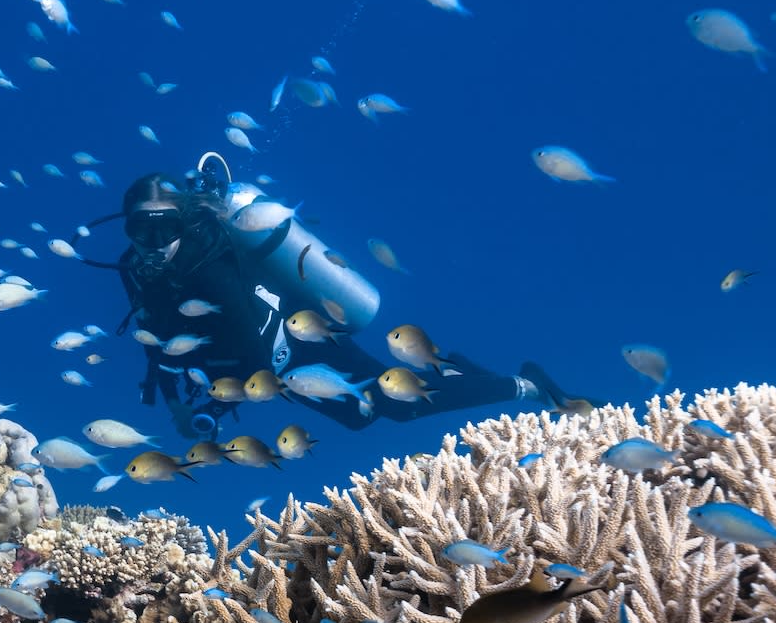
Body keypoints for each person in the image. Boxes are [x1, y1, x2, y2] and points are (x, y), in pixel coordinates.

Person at [76, 153, 579, 441]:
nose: (154, 242)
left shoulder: (211, 262)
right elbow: (152, 339)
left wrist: (220, 391)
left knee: (395, 405)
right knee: (361, 417)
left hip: (303, 338)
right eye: (141, 229)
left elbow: (250, 343)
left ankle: (527, 387)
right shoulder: (135, 268)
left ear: (185, 222)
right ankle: (463, 373)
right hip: (262, 371)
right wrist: (176, 404)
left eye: (165, 226)